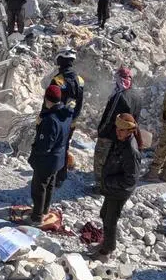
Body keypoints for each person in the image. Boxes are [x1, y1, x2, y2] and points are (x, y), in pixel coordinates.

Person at [95, 113, 140, 256]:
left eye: (121, 130)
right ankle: (106, 242)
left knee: (110, 219)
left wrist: (108, 182)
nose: (117, 132)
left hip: (119, 190)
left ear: (130, 131)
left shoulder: (131, 151)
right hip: (112, 187)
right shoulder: (121, 139)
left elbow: (130, 180)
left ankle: (107, 249)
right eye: (117, 128)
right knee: (104, 214)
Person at [28, 85, 73, 224]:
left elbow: (44, 146)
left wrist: (38, 126)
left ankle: (36, 217)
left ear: (47, 99)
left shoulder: (49, 120)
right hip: (58, 159)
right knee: (50, 184)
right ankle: (45, 210)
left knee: (39, 188)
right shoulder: (66, 114)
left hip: (46, 161)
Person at [93, 66, 142, 192]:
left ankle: (100, 186)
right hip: (125, 135)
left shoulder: (120, 96)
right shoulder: (137, 95)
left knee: (101, 160)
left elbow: (109, 117)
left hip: (111, 134)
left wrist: (101, 131)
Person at [49, 48, 85, 186]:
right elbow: (80, 103)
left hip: (57, 121)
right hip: (71, 121)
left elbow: (50, 103)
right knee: (64, 147)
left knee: (53, 148)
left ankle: (51, 176)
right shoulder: (80, 80)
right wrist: (73, 120)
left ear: (61, 60)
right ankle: (61, 176)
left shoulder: (57, 80)